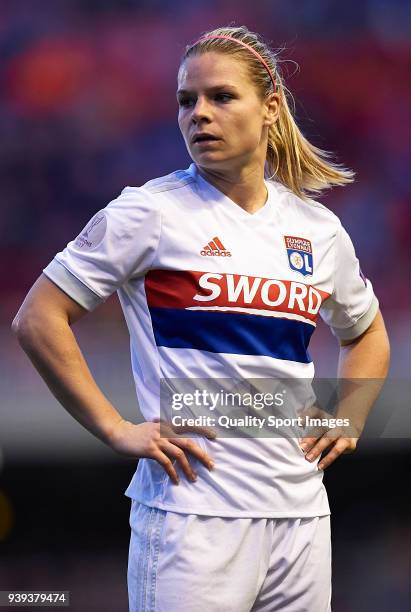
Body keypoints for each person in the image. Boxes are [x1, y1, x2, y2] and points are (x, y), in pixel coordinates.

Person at [12, 25, 390, 612]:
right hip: (194, 515)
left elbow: (365, 331)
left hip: (301, 515)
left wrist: (349, 419)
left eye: (220, 97)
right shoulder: (149, 211)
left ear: (269, 109)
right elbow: (38, 319)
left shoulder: (316, 229)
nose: (199, 114)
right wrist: (116, 428)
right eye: (187, 101)